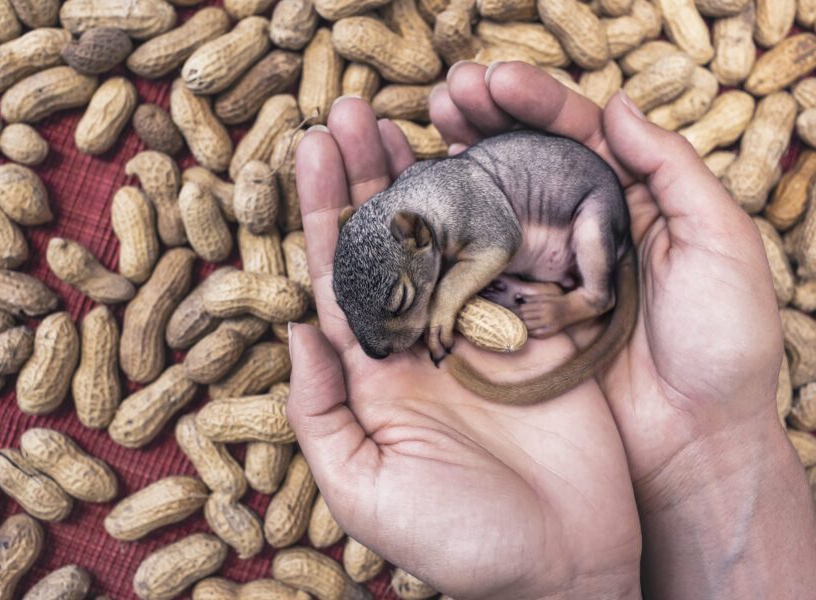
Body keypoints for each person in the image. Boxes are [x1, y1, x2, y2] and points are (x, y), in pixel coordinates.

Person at [287, 60, 816, 599]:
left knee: (592, 221)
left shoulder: (445, 200)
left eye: (400, 303)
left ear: (418, 237)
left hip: (578, 219)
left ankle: (588, 297)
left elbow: (499, 242)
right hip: (531, 253)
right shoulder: (421, 224)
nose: (388, 340)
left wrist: (446, 299)